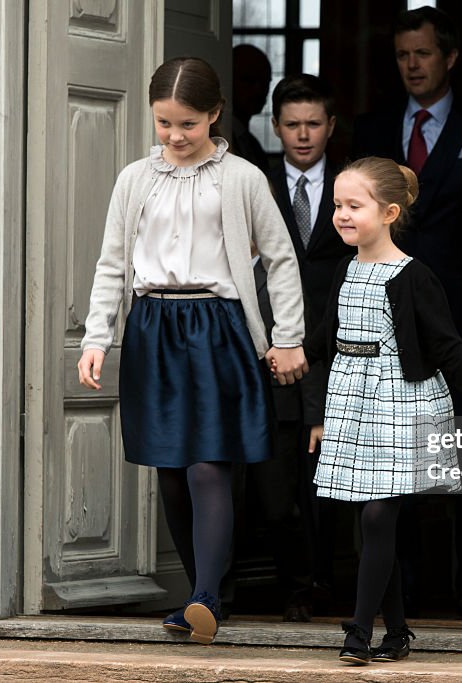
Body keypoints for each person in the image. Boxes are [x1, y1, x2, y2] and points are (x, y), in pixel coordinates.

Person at [77, 56, 307, 646]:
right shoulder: (134, 179)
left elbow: (280, 259)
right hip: (153, 325)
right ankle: (200, 590)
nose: (175, 137)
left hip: (220, 325)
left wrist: (288, 338)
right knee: (172, 470)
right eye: (163, 124)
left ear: (214, 115)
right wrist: (97, 337)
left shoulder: (243, 178)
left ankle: (206, 596)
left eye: (188, 124)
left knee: (209, 464)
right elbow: (111, 263)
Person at [306, 157, 462, 665]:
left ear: (390, 211)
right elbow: (320, 342)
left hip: (402, 402)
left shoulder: (413, 277)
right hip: (352, 399)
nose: (342, 214)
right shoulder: (344, 269)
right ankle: (395, 631)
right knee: (374, 522)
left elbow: (447, 347)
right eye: (337, 205)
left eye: (355, 205)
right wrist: (278, 355)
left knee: (378, 514)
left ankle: (358, 632)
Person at [352, 6, 462, 619]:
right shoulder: (374, 124)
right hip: (385, 314)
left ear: (450, 57)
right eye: (403, 55)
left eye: (424, 53)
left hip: (460, 313)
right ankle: (399, 596)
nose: (412, 65)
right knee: (391, 460)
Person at [248, 74, 356, 620]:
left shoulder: (352, 188)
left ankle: (325, 584)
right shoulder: (255, 185)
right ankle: (289, 584)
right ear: (276, 127)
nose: (303, 135)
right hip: (274, 352)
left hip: (339, 349)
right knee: (275, 482)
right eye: (292, 124)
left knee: (331, 482)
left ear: (331, 126)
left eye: (314, 123)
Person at [231, 44, 273, 174]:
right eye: (248, 80)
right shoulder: (216, 139)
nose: (258, 90)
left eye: (265, 82)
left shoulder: (253, 146)